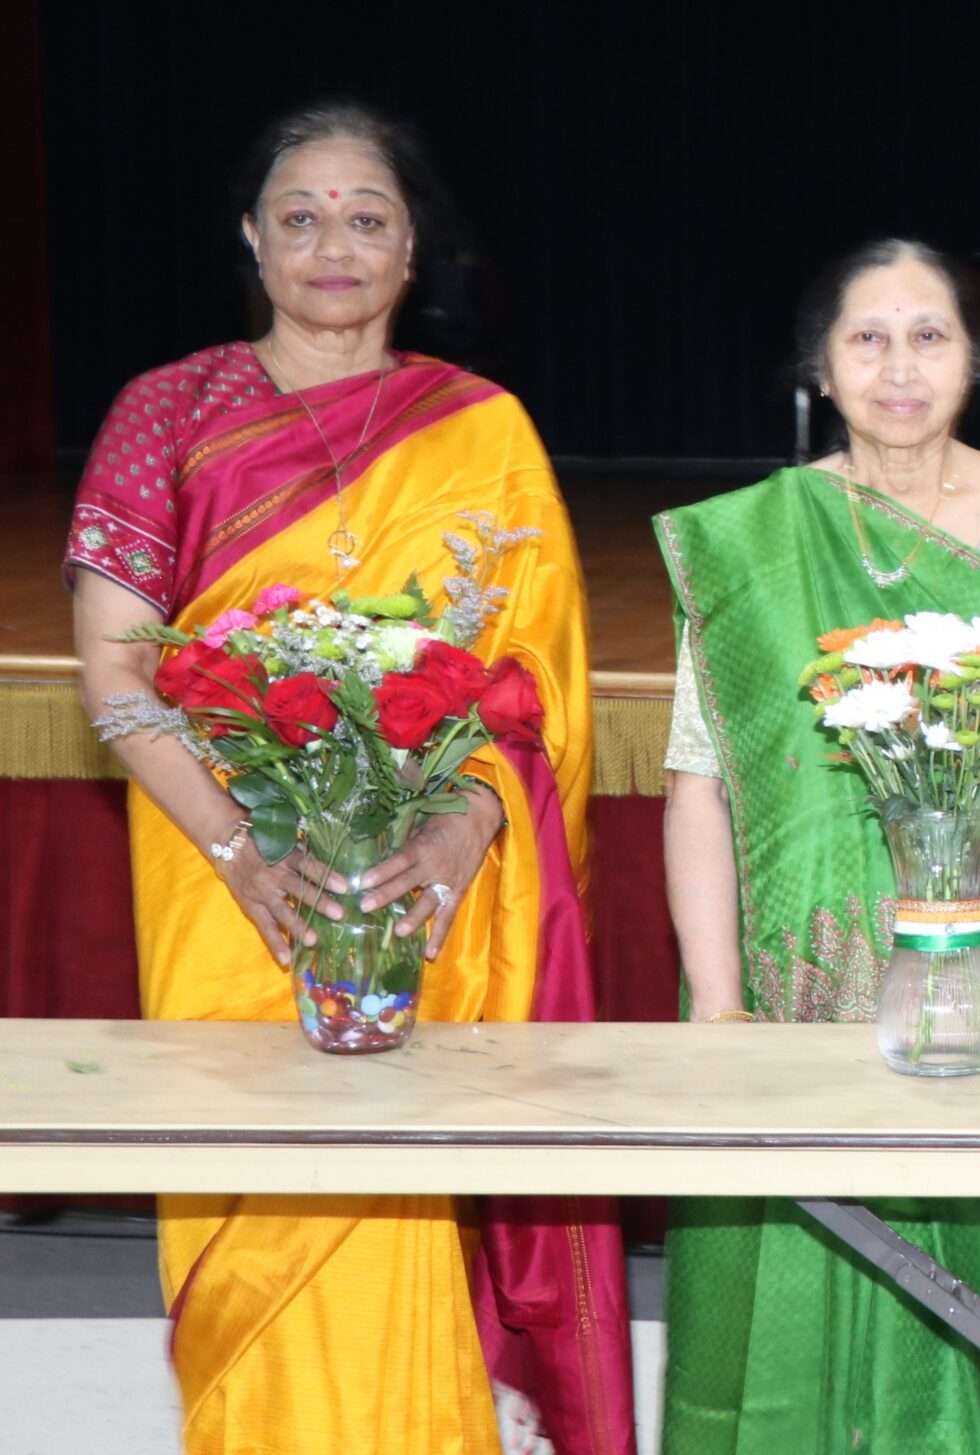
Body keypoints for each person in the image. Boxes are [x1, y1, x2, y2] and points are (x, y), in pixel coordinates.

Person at [65, 102, 631, 1454]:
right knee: (257, 1191)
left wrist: (449, 839)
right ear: (253, 237)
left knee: (400, 1186)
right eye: (302, 213)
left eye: (366, 215)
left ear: (411, 244)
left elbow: (531, 683)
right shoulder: (167, 410)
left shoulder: (483, 429)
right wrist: (245, 849)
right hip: (221, 879)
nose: (334, 241)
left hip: (414, 889)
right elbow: (119, 674)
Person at [653, 239, 980, 1453]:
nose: (899, 367)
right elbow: (699, 779)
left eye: (931, 336)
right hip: (786, 982)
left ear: (976, 361)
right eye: (869, 337)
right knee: (780, 1320)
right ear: (821, 362)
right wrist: (718, 1008)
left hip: (978, 997)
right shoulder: (750, 540)